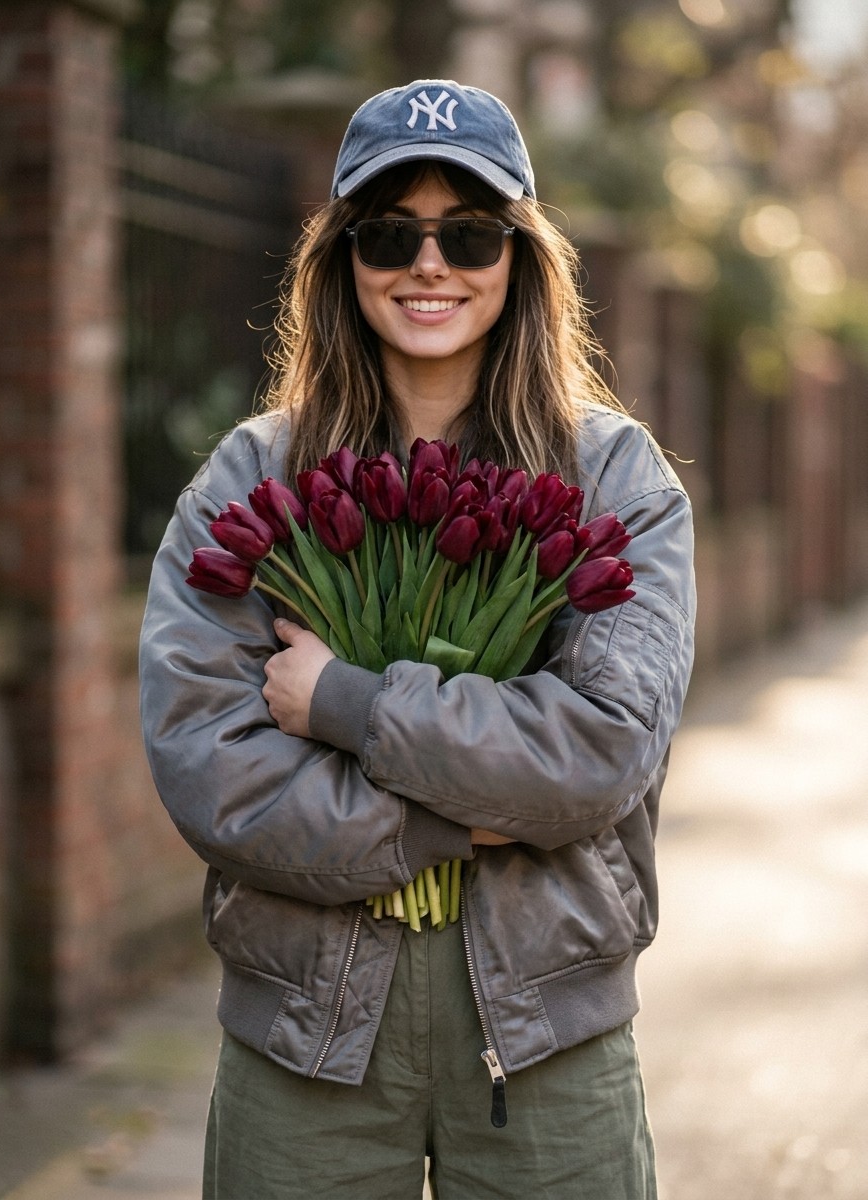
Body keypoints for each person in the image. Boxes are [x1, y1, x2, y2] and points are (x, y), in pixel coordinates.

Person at [139, 78, 696, 1200]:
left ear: (519, 258)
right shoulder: (253, 479)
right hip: (306, 1042)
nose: (428, 265)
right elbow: (215, 773)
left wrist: (345, 704)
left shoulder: (613, 479)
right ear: (343, 257)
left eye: (471, 233)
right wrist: (470, 813)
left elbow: (598, 752)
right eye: (389, 231)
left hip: (546, 1041)